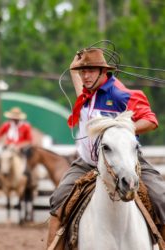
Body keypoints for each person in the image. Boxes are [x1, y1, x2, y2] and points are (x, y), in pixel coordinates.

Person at [47, 48, 165, 246]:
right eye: (83, 72)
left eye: (91, 71)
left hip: (125, 160)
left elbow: (150, 120)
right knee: (58, 200)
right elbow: (74, 72)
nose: (85, 76)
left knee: (161, 199)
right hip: (87, 163)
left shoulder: (120, 94)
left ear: (104, 71)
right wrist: (75, 62)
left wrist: (121, 133)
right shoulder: (86, 94)